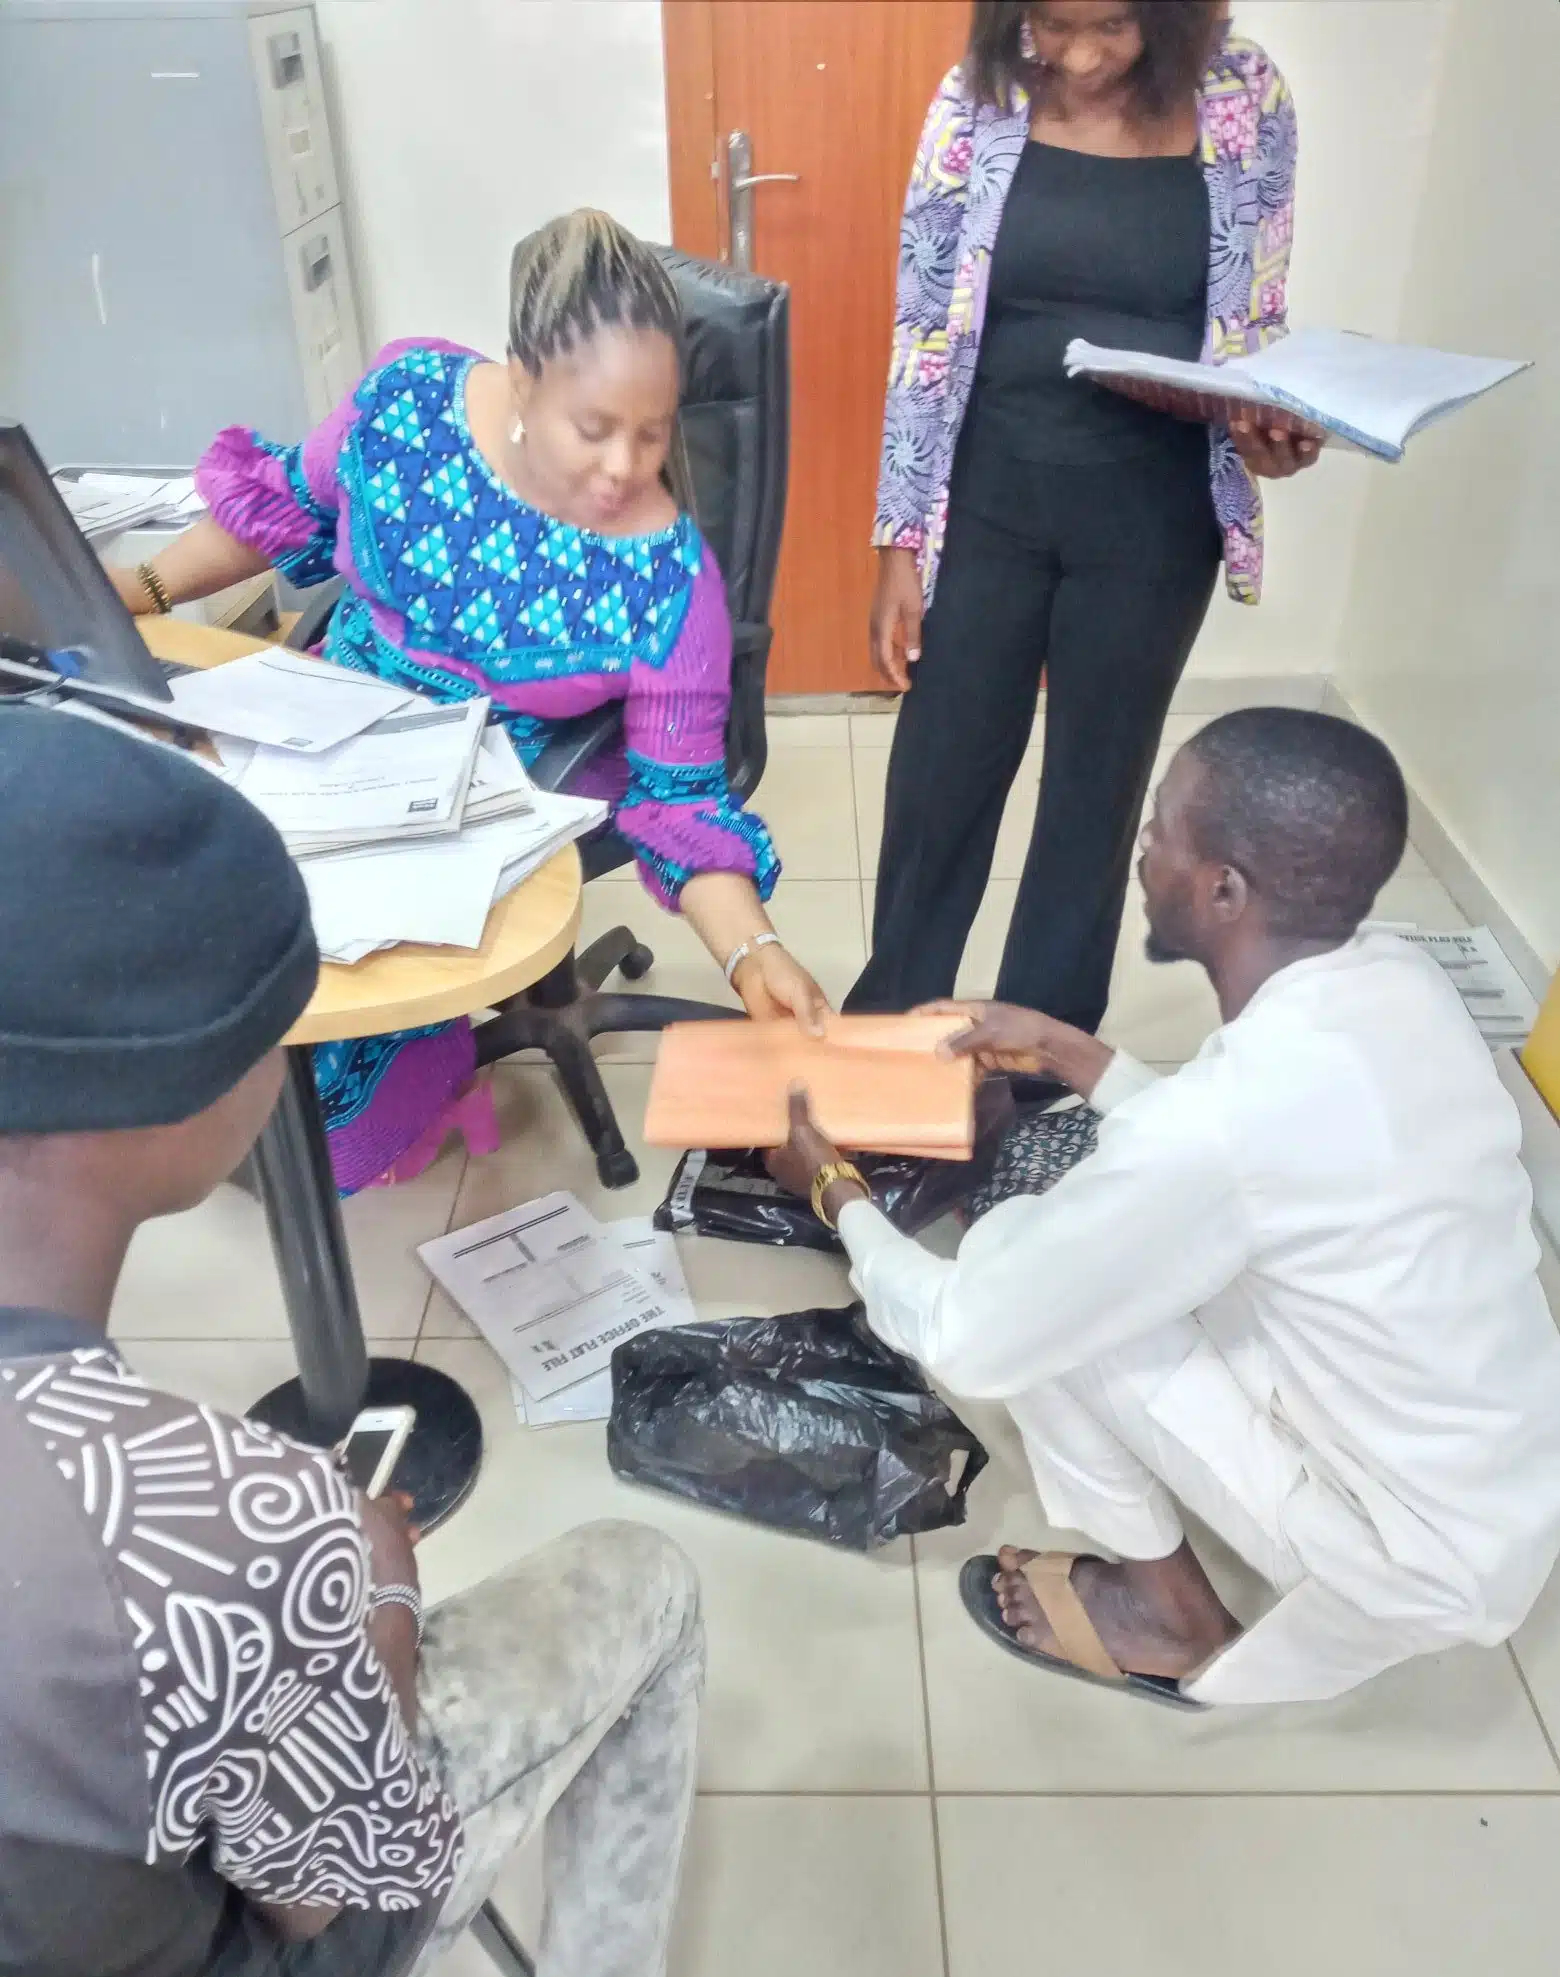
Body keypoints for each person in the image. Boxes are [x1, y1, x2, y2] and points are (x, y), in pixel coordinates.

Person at [0, 703, 702, 1977]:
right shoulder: (217, 1522)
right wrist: (370, 1592)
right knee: (647, 1577)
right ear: (179, 1084)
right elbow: (328, 1883)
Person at [775, 709, 1560, 1707]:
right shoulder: (1401, 979)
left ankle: (1168, 1618)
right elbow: (1263, 1162)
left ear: (1224, 890)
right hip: (1502, 1474)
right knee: (1086, 1234)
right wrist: (1068, 1050)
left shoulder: (1222, 1127)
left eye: (1160, 834)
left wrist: (831, 1185)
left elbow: (970, 1334)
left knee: (1022, 1265)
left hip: (1411, 1552)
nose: (1144, 849)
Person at [109, 208, 826, 1193]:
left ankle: (410, 1093)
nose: (625, 467)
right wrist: (138, 592)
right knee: (172, 891)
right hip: (318, 718)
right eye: (595, 428)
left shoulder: (669, 581)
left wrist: (755, 953)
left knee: (322, 1073)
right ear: (523, 380)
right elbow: (281, 507)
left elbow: (682, 803)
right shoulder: (406, 407)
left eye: (652, 433)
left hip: (481, 781)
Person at [850, 0, 1318, 1076]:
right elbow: (923, 325)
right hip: (989, 503)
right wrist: (899, 542)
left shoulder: (1247, 97)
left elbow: (1254, 325)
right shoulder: (981, 93)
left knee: (1095, 799)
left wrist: (1269, 430)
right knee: (941, 777)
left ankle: (1042, 1058)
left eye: (1108, 25)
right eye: (1050, 24)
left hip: (1152, 522)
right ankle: (886, 1034)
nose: (1076, 55)